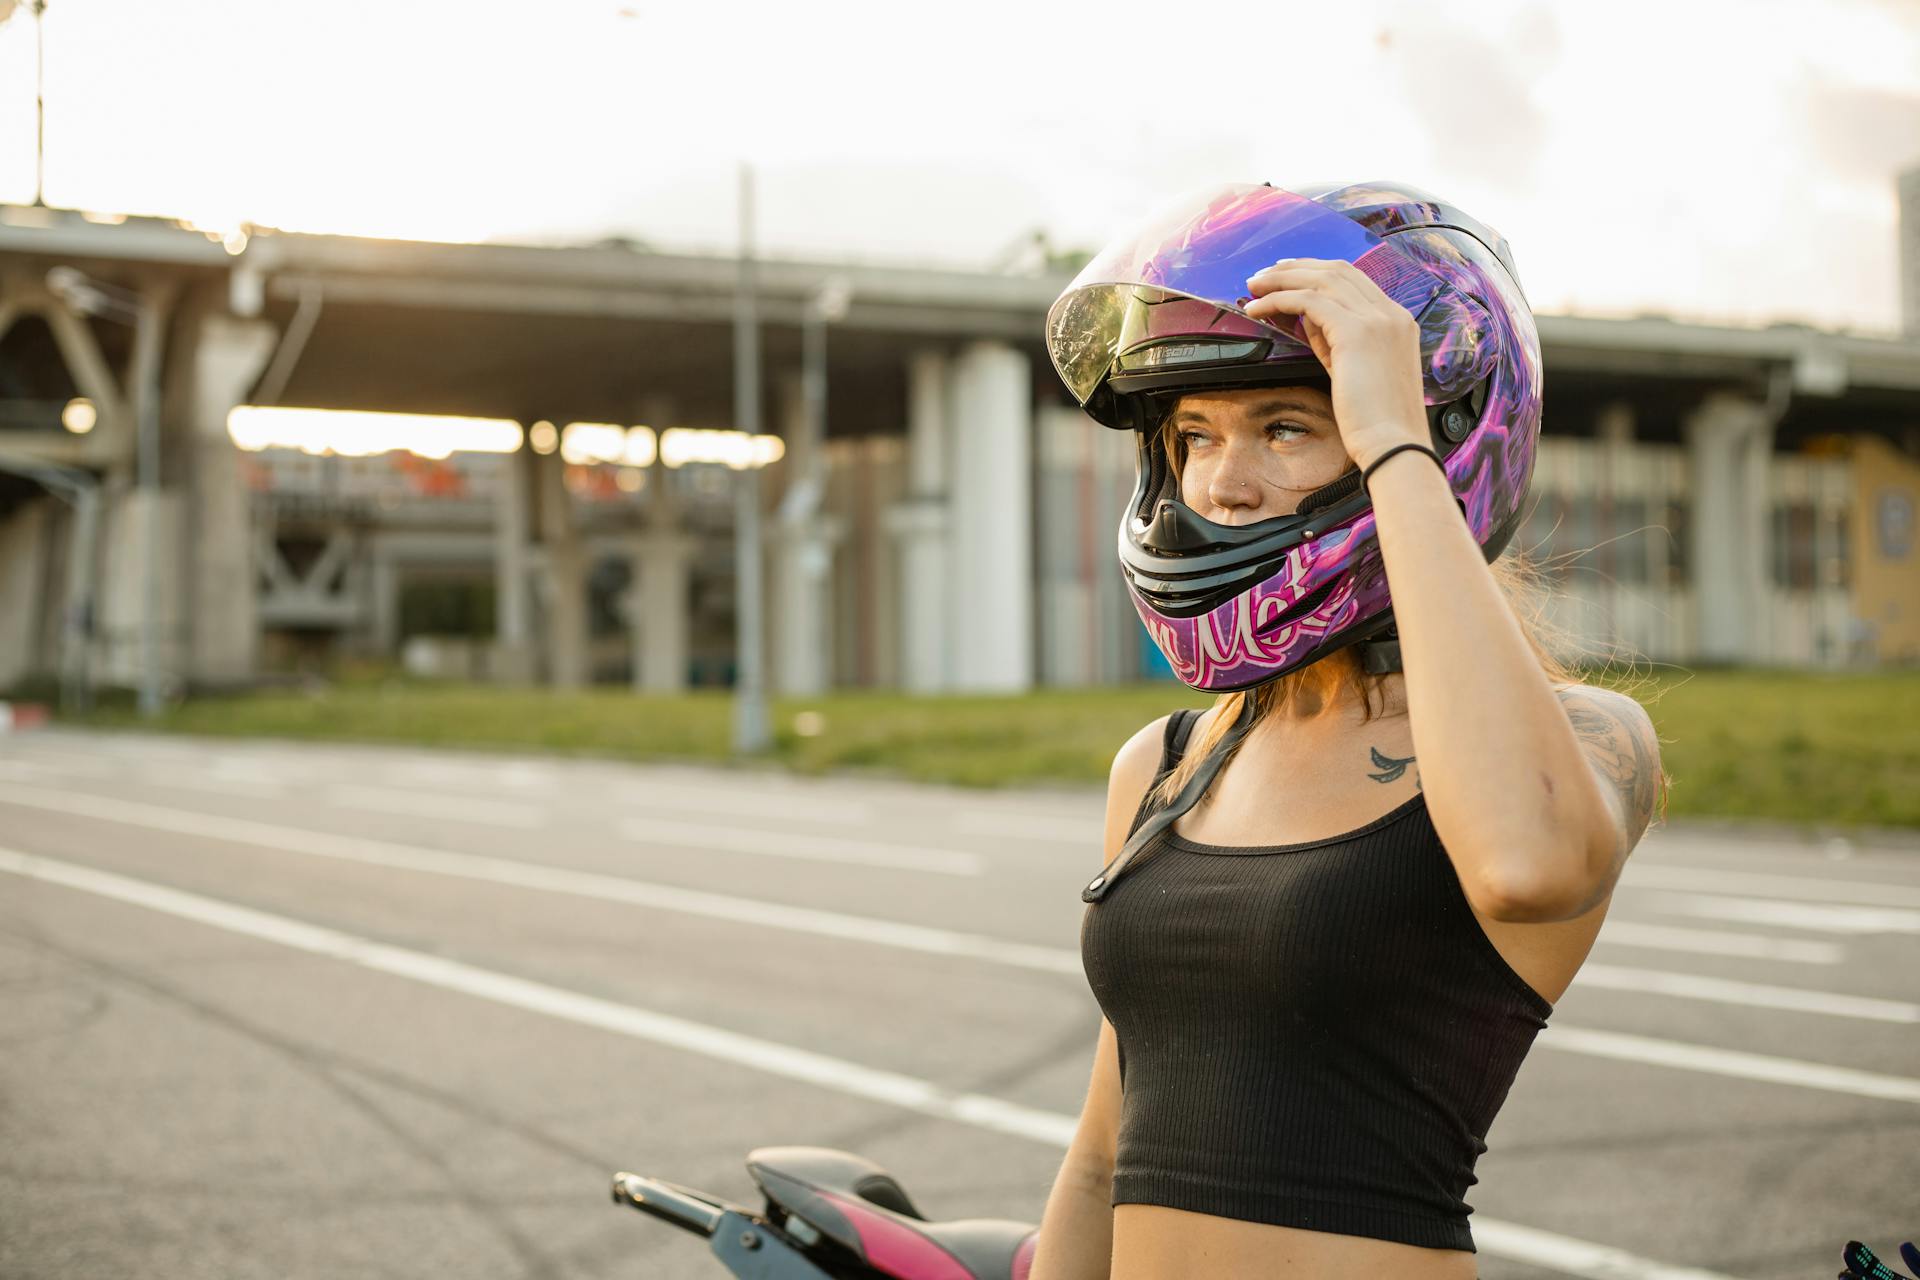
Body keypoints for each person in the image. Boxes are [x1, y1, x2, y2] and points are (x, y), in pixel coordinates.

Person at [1029, 182, 1668, 1280]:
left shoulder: (1585, 737)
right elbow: (1099, 1163)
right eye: (1194, 435)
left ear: (1431, 440)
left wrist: (1392, 440)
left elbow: (1526, 866)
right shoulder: (1169, 764)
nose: (1224, 484)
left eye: (1286, 427)